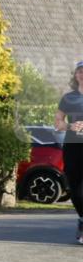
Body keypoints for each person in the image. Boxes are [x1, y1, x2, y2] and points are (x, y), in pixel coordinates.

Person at [54, 60, 83, 244]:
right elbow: (58, 122)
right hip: (72, 147)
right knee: (73, 187)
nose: (82, 74)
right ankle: (82, 218)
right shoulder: (68, 98)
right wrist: (71, 125)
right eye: (79, 71)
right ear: (75, 75)